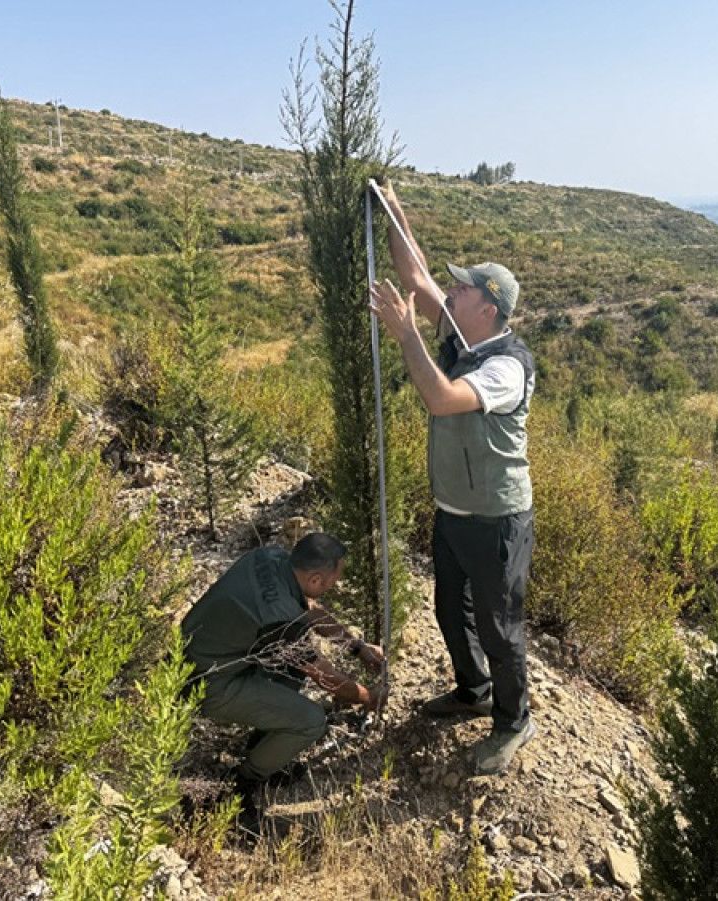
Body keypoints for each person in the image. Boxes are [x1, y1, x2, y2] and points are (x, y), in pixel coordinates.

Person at [369, 182, 536, 776]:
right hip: (454, 512)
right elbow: (413, 275)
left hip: (497, 519)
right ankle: (473, 691)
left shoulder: (503, 368)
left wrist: (406, 332)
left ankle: (514, 720)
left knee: (500, 627)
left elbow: (441, 400)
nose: (452, 291)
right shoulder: (463, 336)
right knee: (449, 610)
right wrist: (392, 210)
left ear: (486, 307)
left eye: (462, 287)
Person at [181, 532, 385, 834]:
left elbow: (310, 610)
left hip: (203, 654)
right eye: (333, 580)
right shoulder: (279, 617)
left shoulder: (272, 557)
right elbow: (326, 677)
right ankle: (243, 784)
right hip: (207, 684)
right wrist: (369, 697)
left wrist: (356, 647)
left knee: (292, 670)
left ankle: (265, 747)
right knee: (311, 721)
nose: (334, 586)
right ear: (315, 579)